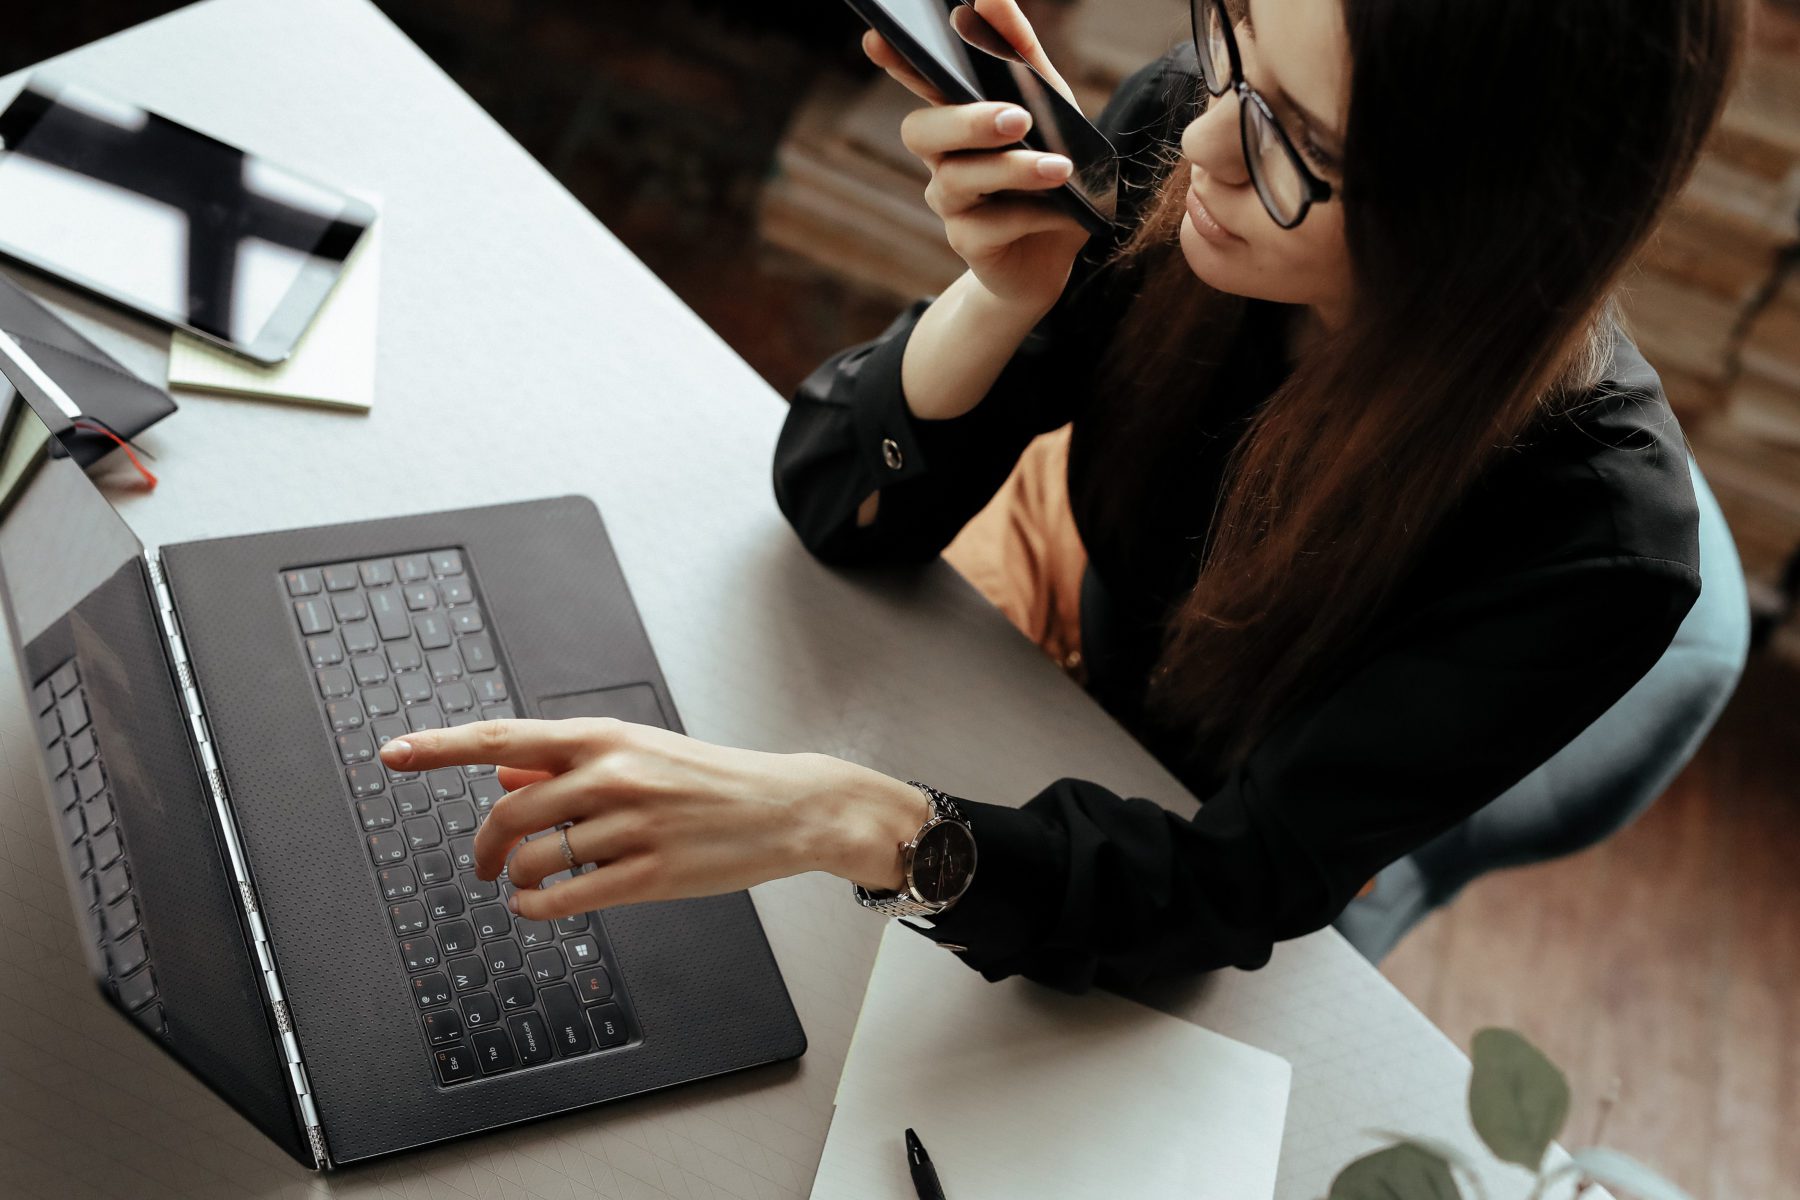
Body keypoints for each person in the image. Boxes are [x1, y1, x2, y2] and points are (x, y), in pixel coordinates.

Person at [379, 0, 1743, 992]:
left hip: (1208, 825)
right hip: (1061, 660)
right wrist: (999, 299)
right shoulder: (1202, 144)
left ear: (1495, 224)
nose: (1204, 143)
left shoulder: (1593, 548)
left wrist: (845, 819)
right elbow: (836, 503)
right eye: (1236, 50)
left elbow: (1227, 887)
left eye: (1299, 145)